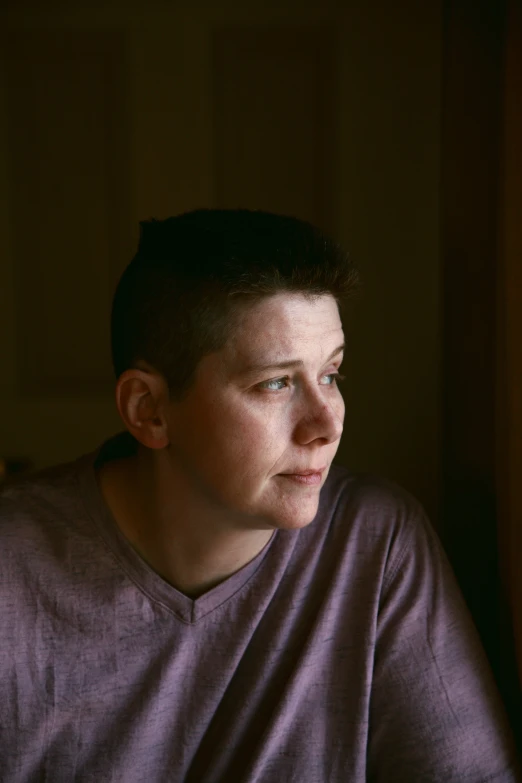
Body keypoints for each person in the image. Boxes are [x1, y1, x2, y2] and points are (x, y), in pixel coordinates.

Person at [0, 209, 519, 782]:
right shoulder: (12, 567)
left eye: (331, 374)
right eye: (275, 383)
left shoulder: (374, 541)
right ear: (149, 411)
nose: (327, 425)